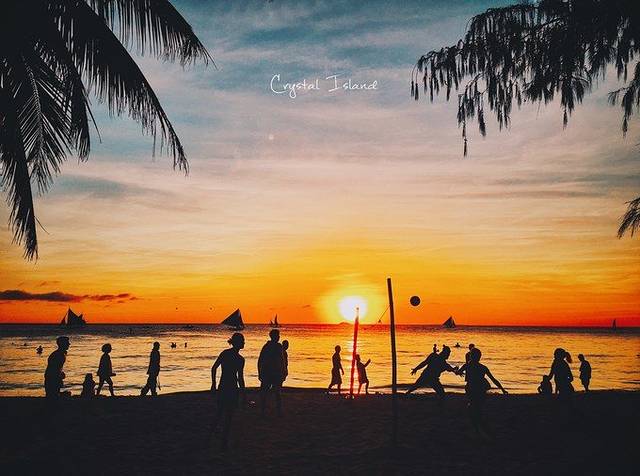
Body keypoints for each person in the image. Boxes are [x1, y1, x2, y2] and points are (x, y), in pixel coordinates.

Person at [456, 347, 507, 436]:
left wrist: (456, 370)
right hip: (480, 390)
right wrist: (502, 389)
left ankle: (478, 429)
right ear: (479, 357)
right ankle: (480, 428)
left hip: (471, 389)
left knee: (473, 409)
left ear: (471, 356)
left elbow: (458, 372)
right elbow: (493, 379)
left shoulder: (467, 365)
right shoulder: (483, 367)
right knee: (477, 409)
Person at [210, 333, 246, 450]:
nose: (244, 342)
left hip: (224, 386)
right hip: (231, 388)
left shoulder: (226, 354)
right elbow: (240, 378)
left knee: (220, 413)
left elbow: (214, 368)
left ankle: (213, 437)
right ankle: (223, 442)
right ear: (237, 343)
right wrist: (243, 393)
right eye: (242, 341)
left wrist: (214, 383)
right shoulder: (240, 359)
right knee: (227, 416)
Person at [258, 329, 286, 416]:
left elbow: (282, 360)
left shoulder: (272, 346)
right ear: (273, 336)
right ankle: (266, 410)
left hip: (272, 372)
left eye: (278, 335)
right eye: (277, 336)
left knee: (274, 392)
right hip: (270, 372)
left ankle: (275, 410)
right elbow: (261, 360)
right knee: (270, 392)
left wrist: (284, 371)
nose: (278, 337)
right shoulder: (272, 346)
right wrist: (260, 372)